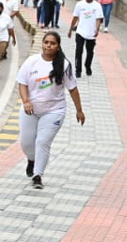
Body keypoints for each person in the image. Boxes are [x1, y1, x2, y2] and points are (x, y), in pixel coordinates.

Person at [17, 32, 85, 190]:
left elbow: (73, 89)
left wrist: (79, 110)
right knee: (26, 142)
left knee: (42, 141)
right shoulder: (32, 62)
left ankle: (37, 175)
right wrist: (26, 101)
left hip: (54, 110)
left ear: (58, 46)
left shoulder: (64, 65)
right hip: (31, 110)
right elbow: (22, 83)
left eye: (52, 43)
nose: (48, 45)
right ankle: (32, 160)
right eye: (46, 42)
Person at [69, 0, 102, 77]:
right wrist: (70, 29)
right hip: (80, 31)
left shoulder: (97, 6)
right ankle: (78, 70)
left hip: (91, 33)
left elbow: (98, 19)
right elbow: (75, 17)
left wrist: (97, 29)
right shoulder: (79, 5)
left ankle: (88, 66)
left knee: (90, 51)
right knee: (78, 51)